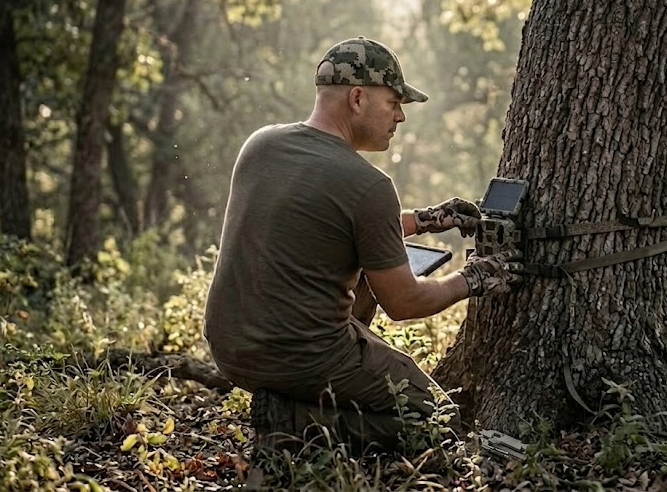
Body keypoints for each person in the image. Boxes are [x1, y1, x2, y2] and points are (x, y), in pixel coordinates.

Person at [203, 36, 523, 452]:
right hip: (299, 355)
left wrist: (424, 220)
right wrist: (476, 277)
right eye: (393, 102)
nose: (400, 117)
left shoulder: (261, 144)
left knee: (363, 279)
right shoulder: (367, 184)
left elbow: (325, 223)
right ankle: (293, 418)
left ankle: (299, 400)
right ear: (357, 98)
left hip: (229, 347)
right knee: (440, 424)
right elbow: (404, 304)